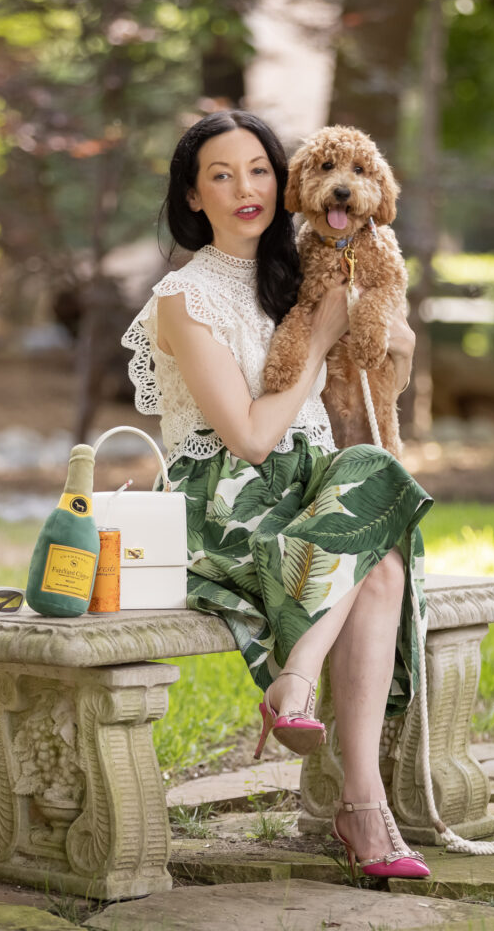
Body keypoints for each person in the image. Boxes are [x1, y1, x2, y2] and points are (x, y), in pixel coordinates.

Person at [121, 110, 431, 879]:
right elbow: (251, 440)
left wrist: (398, 342)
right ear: (193, 198)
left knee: (383, 484)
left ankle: (307, 712)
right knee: (380, 567)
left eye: (258, 170)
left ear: (282, 182)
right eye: (220, 176)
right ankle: (359, 799)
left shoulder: (307, 267)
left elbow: (381, 368)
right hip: (226, 499)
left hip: (313, 485)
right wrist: (322, 340)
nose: (245, 189)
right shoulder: (182, 300)